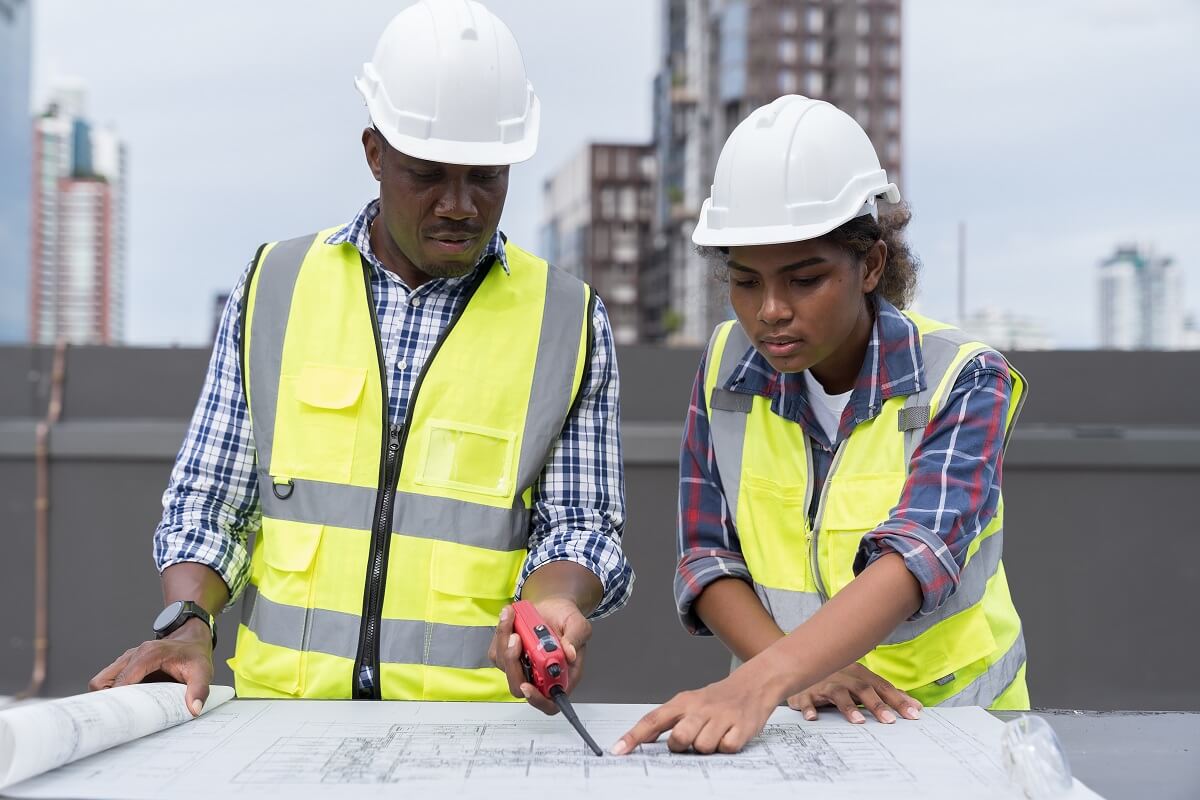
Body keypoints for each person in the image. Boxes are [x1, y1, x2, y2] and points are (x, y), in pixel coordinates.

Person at [89, 0, 632, 716]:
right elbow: (211, 500)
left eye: (487, 176)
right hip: (279, 723)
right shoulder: (275, 286)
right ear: (375, 152)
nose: (460, 205)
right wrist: (189, 627)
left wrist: (552, 610)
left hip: (473, 734)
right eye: (429, 173)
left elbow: (581, 524)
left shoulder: (568, 320)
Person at [614, 95, 1027, 756]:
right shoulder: (725, 369)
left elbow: (916, 558)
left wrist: (759, 683)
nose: (770, 311)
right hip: (794, 728)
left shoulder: (966, 378)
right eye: (745, 282)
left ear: (870, 265)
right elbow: (707, 558)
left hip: (954, 730)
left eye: (804, 280)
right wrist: (797, 671)